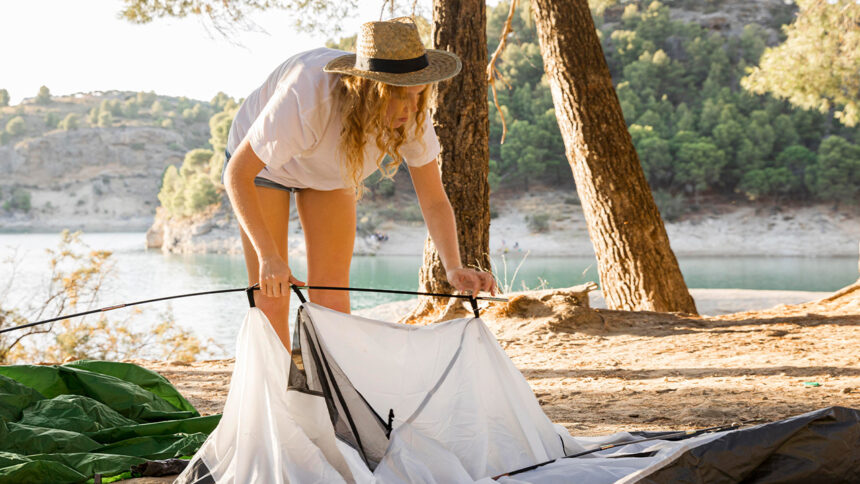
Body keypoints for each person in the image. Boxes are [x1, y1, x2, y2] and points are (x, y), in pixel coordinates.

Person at [223, 18, 497, 350]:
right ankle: (277, 390)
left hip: (328, 171)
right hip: (265, 168)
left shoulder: (412, 113)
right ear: (370, 88)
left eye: (418, 93)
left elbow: (434, 199)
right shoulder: (307, 96)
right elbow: (237, 175)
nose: (410, 110)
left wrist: (453, 267)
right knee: (272, 294)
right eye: (399, 96)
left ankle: (332, 390)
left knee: (332, 293)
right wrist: (268, 256)